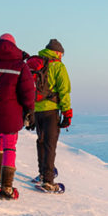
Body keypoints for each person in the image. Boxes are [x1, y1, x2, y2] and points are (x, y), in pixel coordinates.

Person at [0, 33, 35, 199]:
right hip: (12, 114)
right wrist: (30, 110)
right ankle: (6, 187)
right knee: (10, 144)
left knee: (0, 136)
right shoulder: (20, 65)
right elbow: (28, 91)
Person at [29, 39, 72, 192]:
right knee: (50, 145)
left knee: (40, 141)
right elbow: (64, 90)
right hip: (51, 110)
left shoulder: (36, 64)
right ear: (58, 52)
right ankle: (48, 180)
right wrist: (67, 113)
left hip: (36, 110)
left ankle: (42, 174)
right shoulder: (58, 66)